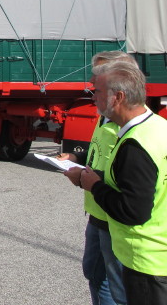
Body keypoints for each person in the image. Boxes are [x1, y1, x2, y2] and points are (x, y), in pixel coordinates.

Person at [77, 60, 167, 305]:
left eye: (97, 91)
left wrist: (94, 185)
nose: (93, 97)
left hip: (146, 260)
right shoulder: (159, 127)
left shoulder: (135, 144)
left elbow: (133, 211)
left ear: (117, 97)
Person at [61, 51, 134, 305]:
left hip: (112, 217)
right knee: (94, 273)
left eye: (98, 77)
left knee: (113, 287)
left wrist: (85, 178)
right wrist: (76, 158)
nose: (92, 81)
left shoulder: (125, 124)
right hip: (98, 212)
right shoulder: (106, 116)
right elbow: (100, 155)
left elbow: (126, 178)